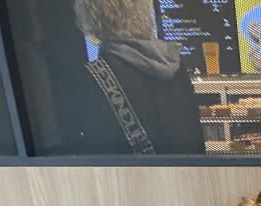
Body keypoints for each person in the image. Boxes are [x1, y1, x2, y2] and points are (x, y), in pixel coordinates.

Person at [73, 0, 204, 155]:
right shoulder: (175, 63)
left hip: (135, 171)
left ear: (92, 16)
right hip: (191, 168)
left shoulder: (94, 75)